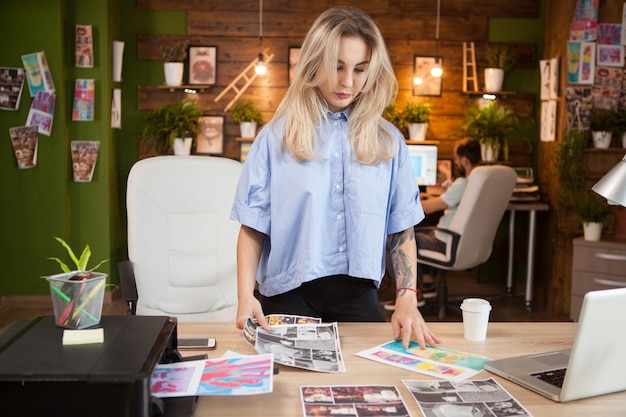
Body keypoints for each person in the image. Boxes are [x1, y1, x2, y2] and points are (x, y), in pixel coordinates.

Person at [230, 6, 440, 350]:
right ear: (315, 63)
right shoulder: (275, 138)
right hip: (287, 299)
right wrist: (244, 296)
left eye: (360, 69)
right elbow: (253, 227)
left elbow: (401, 229)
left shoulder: (389, 142)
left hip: (358, 297)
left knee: (373, 386)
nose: (347, 82)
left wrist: (406, 298)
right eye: (337, 67)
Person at [383, 138, 482, 311]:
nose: (457, 162)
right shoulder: (477, 182)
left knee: (394, 240)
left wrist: (403, 203)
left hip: (445, 241)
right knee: (421, 233)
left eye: (456, 158)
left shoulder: (463, 183)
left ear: (464, 160)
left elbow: (429, 208)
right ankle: (427, 284)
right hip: (457, 240)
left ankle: (412, 292)